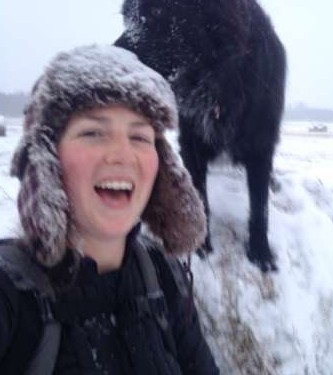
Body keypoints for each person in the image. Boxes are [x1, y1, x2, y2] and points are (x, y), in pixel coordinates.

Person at [0, 45, 219, 374]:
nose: (122, 154)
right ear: (45, 158)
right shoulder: (11, 295)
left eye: (140, 137)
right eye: (93, 132)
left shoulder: (164, 275)